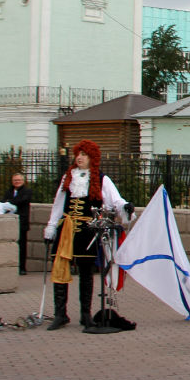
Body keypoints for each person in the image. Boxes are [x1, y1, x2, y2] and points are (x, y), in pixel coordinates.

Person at [42, 140, 133, 331]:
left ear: (92, 158)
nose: (79, 158)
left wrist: (125, 208)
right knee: (60, 270)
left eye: (84, 155)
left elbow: (115, 201)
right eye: (78, 154)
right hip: (66, 228)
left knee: (86, 272)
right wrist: (51, 227)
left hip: (87, 230)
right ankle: (60, 314)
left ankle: (85, 314)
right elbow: (58, 204)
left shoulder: (101, 179)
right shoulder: (67, 177)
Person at [3, 172, 33, 274]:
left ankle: (22, 268)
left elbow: (21, 200)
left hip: (22, 222)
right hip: (9, 222)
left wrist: (10, 201)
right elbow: (3, 202)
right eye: (15, 180)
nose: (17, 182)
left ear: (23, 181)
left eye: (19, 180)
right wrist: (11, 201)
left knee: (22, 246)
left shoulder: (27, 191)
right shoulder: (9, 191)